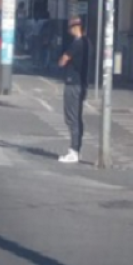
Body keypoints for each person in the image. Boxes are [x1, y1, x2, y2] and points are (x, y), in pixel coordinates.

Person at [57, 15, 90, 163]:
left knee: (72, 118)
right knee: (76, 117)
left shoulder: (77, 44)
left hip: (73, 83)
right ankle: (77, 149)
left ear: (75, 27)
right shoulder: (87, 43)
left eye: (70, 27)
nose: (68, 30)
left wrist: (62, 60)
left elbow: (63, 60)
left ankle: (74, 151)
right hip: (81, 83)